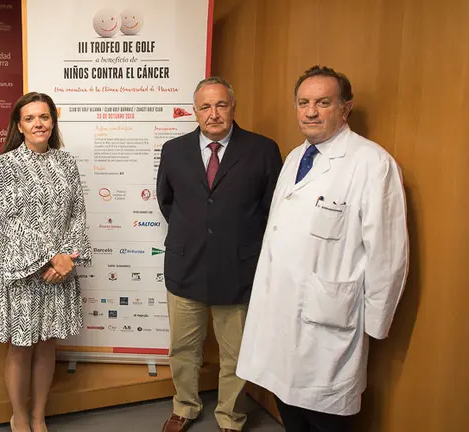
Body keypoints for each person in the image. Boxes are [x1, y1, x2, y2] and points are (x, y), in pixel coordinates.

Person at [236, 66, 409, 432]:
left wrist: (375, 323)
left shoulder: (372, 164)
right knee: (290, 408)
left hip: (328, 321)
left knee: (327, 416)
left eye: (322, 102)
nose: (310, 111)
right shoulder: (297, 158)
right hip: (283, 314)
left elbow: (388, 255)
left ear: (345, 109)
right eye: (303, 102)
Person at [156, 77, 283, 432]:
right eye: (205, 107)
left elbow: (272, 207)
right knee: (182, 350)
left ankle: (230, 415)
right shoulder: (173, 150)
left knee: (236, 353)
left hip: (238, 269)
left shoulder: (263, 150)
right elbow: (167, 201)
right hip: (185, 265)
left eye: (221, 105)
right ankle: (184, 406)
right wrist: (195, 231)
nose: (213, 114)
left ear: (233, 108)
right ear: (194, 111)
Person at [0, 92, 91, 432]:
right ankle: (20, 417)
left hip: (59, 273)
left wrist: (67, 258)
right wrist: (47, 259)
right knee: (21, 347)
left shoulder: (66, 162)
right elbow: (9, 220)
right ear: (19, 125)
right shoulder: (6, 164)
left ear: (52, 122)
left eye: (43, 117)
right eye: (30, 118)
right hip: (23, 270)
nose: (38, 123)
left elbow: (77, 213)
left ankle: (40, 416)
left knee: (46, 347)